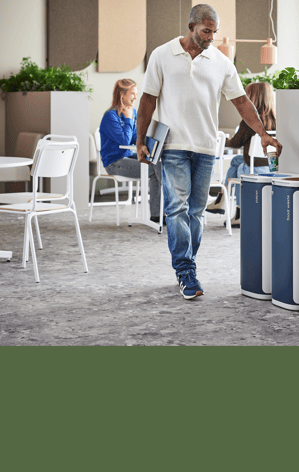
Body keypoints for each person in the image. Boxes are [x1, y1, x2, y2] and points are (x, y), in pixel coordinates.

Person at [136, 3, 282, 300]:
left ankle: (187, 262)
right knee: (176, 208)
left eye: (214, 32)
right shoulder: (162, 55)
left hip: (205, 149)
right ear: (191, 27)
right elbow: (148, 100)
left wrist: (263, 134)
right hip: (173, 146)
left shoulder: (221, 63)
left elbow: (242, 102)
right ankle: (186, 270)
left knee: (197, 212)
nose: (211, 37)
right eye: (206, 31)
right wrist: (140, 140)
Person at [207, 81, 276, 227]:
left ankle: (239, 214)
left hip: (253, 168)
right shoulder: (276, 121)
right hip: (270, 167)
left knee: (240, 169)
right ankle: (221, 199)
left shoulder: (250, 122)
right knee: (236, 161)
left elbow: (235, 143)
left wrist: (220, 139)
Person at [99, 79, 163, 223]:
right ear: (122, 94)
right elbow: (124, 141)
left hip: (126, 157)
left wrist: (152, 141)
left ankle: (158, 214)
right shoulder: (110, 116)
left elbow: (135, 139)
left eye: (136, 94)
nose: (135, 97)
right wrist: (128, 119)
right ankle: (159, 213)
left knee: (156, 161)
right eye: (132, 94)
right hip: (114, 163)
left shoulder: (132, 112)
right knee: (153, 169)